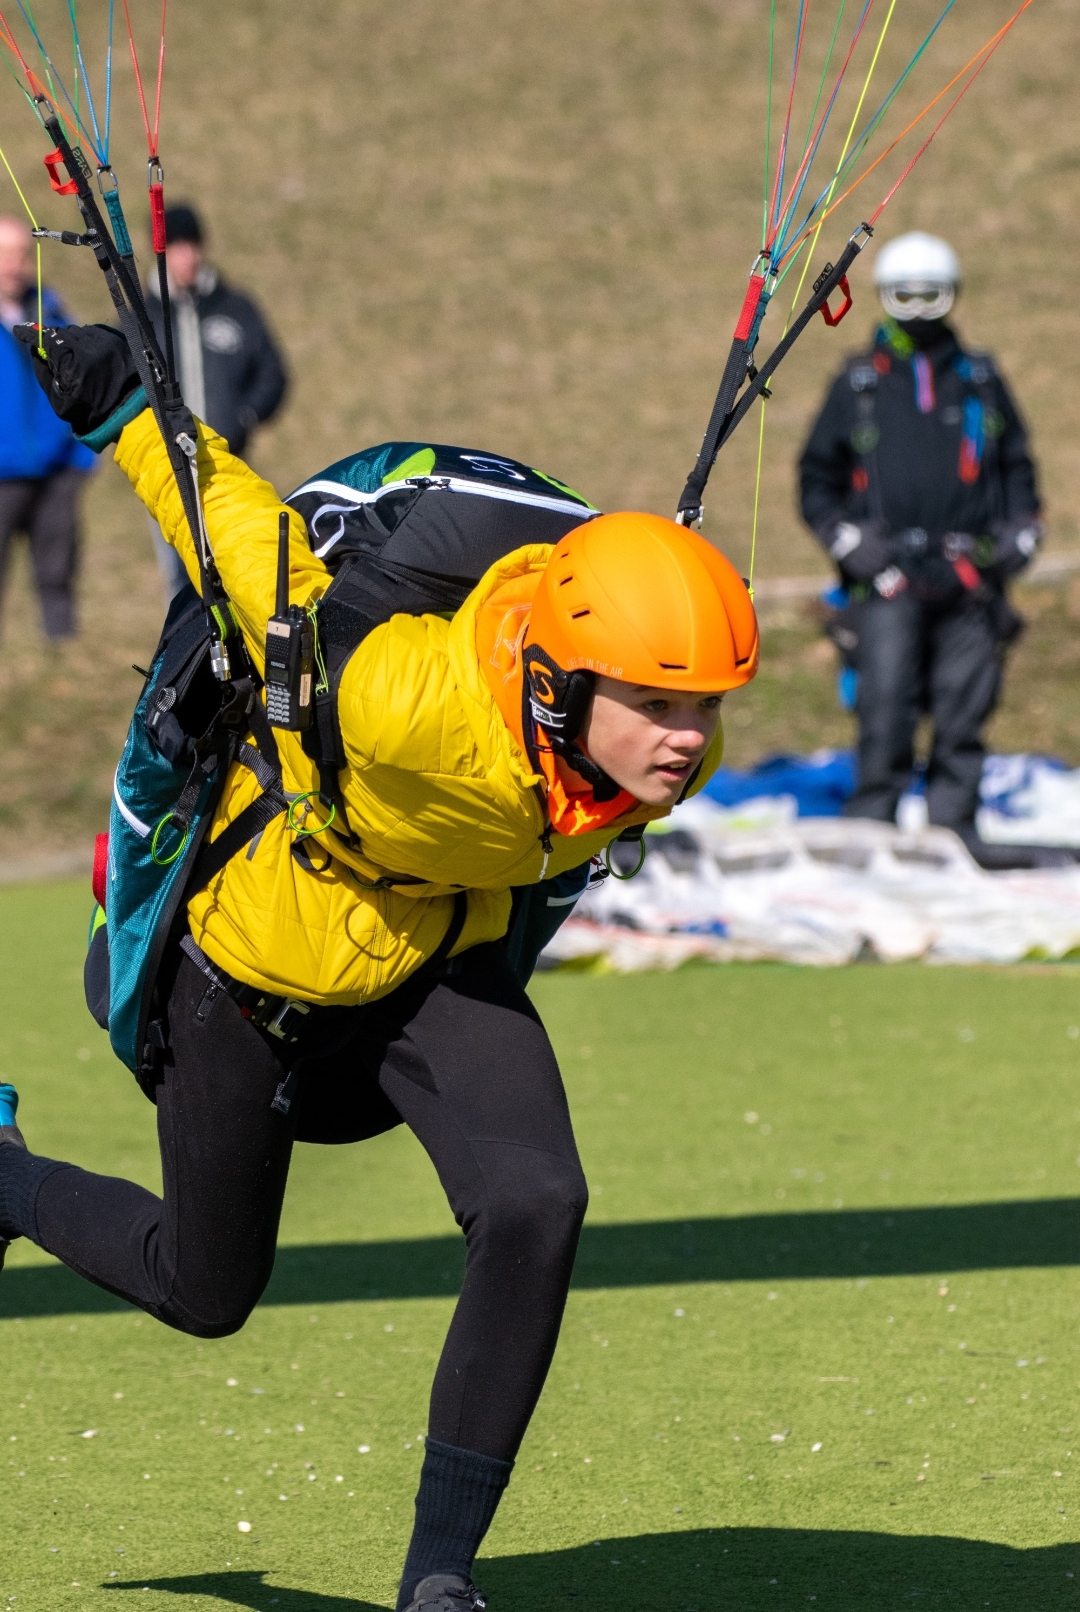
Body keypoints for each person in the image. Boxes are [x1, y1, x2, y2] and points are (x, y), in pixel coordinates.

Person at [0, 321, 758, 1612]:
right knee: (205, 1288)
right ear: (567, 687)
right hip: (247, 975)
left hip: (422, 959)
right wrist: (129, 411)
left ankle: (438, 1577)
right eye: (662, 705)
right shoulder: (403, 696)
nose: (689, 743)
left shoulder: (636, 747)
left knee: (537, 1199)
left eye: (705, 707)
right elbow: (255, 556)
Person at [799, 231, 1053, 870]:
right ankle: (871, 834)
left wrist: (1020, 535)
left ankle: (954, 834)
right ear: (885, 297)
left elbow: (1017, 468)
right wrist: (852, 548)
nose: (918, 307)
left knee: (966, 714)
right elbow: (816, 478)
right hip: (886, 579)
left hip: (971, 578)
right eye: (904, 295)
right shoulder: (858, 383)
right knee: (884, 709)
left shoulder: (982, 380)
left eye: (929, 294)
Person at [146, 203, 288, 598]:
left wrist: (246, 415)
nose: (187, 257)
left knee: (234, 572)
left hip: (228, 465)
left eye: (192, 246)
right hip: (168, 472)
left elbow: (273, 373)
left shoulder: (235, 308)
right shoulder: (144, 317)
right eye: (176, 247)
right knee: (181, 581)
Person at [0, 215, 95, 639]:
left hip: (55, 472)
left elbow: (80, 383)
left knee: (58, 571)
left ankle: (62, 657)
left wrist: (78, 458)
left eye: (20, 254)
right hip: (3, 476)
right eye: (4, 255)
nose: (12, 265)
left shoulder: (49, 309)